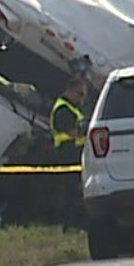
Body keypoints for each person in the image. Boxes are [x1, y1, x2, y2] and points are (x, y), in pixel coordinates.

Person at [50, 78, 91, 232]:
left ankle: (77, 224)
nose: (82, 98)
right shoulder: (62, 109)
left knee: (78, 190)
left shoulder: (73, 108)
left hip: (75, 153)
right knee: (72, 191)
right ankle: (70, 225)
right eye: (80, 93)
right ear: (71, 89)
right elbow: (73, 132)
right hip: (67, 153)